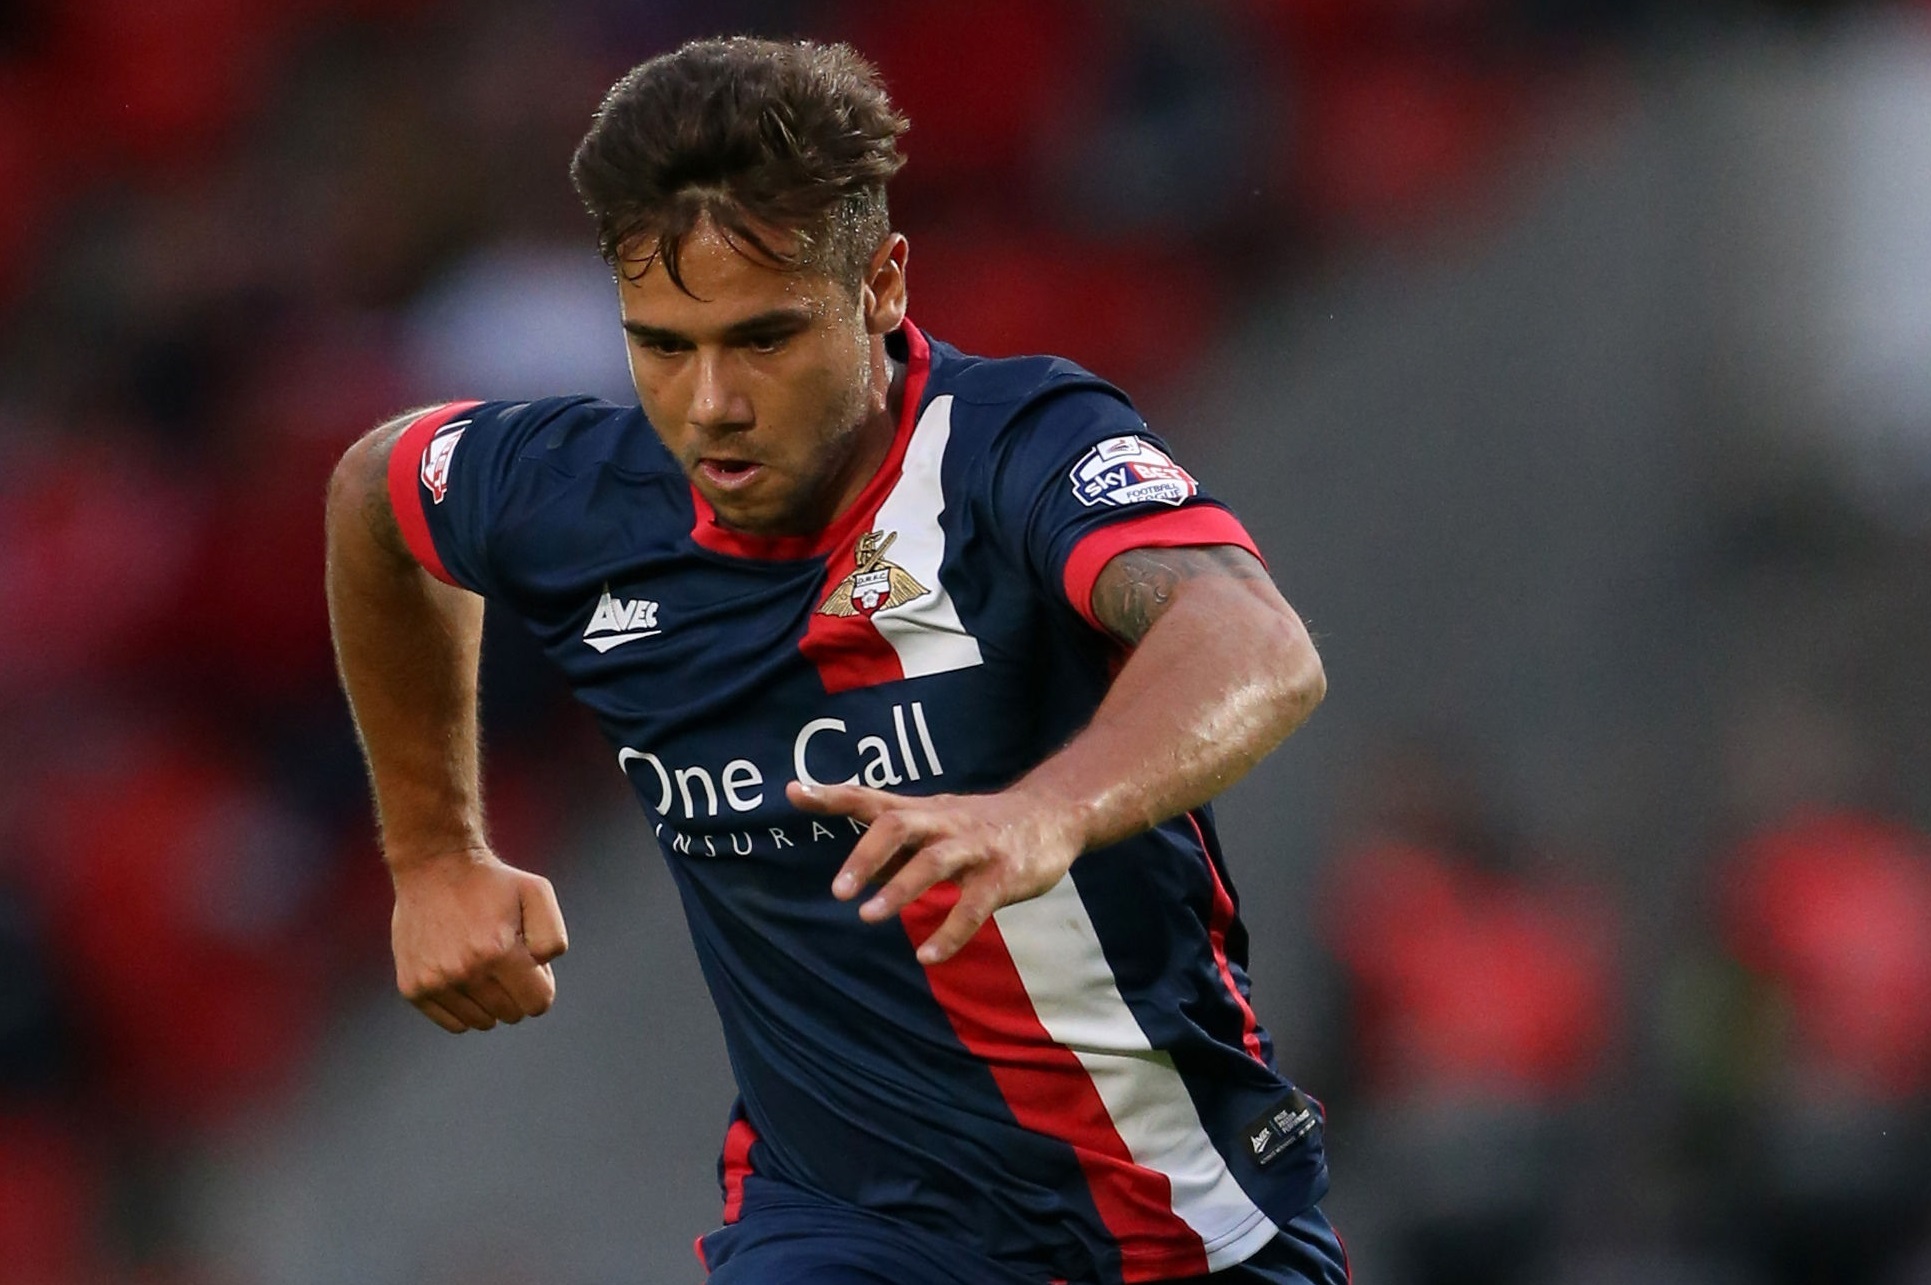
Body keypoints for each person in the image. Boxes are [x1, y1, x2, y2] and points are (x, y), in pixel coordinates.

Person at [325, 36, 1338, 1285]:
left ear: (882, 285)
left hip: (1177, 1223)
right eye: (662, 345)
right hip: (847, 1224)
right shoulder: (578, 498)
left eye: (764, 339)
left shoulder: (1011, 447)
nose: (711, 405)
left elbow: (1251, 636)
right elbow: (377, 496)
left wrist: (1045, 812)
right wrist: (434, 854)